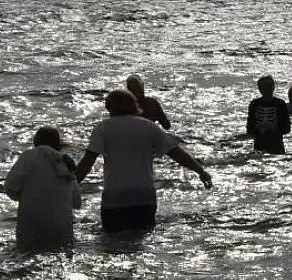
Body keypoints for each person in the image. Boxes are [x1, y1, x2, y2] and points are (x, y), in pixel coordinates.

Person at [75, 89, 212, 234]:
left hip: (115, 197)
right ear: (134, 106)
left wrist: (70, 184)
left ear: (108, 107)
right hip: (144, 196)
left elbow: (87, 162)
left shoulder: (102, 128)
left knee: (112, 244)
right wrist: (200, 171)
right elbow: (176, 152)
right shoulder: (148, 126)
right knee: (141, 241)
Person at [4, 126, 82, 252]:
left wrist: (26, 197)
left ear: (35, 141)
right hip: (62, 228)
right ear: (58, 144)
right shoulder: (66, 163)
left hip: (32, 225)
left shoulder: (28, 156)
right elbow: (77, 202)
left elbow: (10, 187)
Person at [246, 75, 292, 154]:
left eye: (269, 86)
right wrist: (259, 132)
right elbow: (249, 127)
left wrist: (274, 132)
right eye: (264, 86)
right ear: (259, 89)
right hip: (259, 144)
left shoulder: (280, 104)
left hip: (276, 144)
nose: (267, 89)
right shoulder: (254, 104)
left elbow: (287, 127)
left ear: (273, 88)